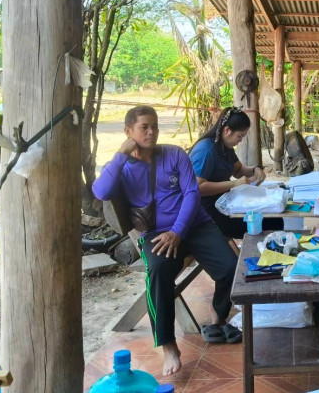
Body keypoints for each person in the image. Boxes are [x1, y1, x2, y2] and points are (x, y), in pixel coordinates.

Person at [92, 106, 242, 378]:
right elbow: (101, 191)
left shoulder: (174, 154)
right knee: (158, 272)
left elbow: (192, 194)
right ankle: (168, 344)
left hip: (194, 225)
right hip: (155, 234)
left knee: (231, 267)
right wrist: (121, 155)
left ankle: (218, 317)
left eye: (155, 126)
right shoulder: (121, 165)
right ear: (128, 131)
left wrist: (178, 232)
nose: (151, 132)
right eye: (144, 127)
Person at [188, 107, 284, 238]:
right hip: (206, 211)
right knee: (271, 222)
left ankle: (263, 248)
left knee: (274, 218)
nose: (241, 140)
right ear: (227, 130)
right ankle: (259, 249)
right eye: (240, 136)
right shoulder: (206, 151)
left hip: (224, 201)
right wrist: (234, 184)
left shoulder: (225, 146)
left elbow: (238, 170)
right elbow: (197, 188)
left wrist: (255, 169)